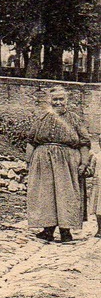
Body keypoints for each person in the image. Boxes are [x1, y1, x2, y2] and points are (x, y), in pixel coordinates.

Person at [26, 86, 91, 243]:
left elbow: (84, 142)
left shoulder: (74, 119)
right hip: (43, 163)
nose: (58, 102)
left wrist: (83, 163)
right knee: (45, 194)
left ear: (66, 101)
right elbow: (31, 141)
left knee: (66, 194)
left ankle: (65, 231)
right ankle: (47, 230)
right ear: (49, 101)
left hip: (67, 163)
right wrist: (28, 162)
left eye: (61, 99)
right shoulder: (42, 118)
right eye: (55, 99)